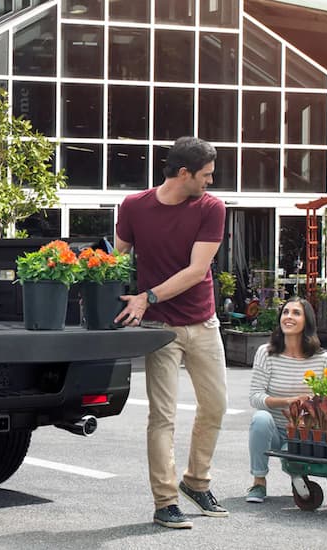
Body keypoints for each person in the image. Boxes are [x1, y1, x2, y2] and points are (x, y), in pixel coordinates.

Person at [113, 136, 227, 530]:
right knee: (162, 417)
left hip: (203, 323)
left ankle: (196, 480)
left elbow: (198, 271)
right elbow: (117, 256)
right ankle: (165, 502)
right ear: (184, 173)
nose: (210, 182)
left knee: (215, 407)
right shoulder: (133, 207)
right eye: (206, 175)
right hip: (158, 330)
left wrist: (148, 295)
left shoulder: (211, 208)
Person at [246, 297, 327, 503]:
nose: (288, 317)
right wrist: (289, 401)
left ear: (306, 321)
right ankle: (258, 482)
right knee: (261, 419)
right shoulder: (266, 353)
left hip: (301, 431)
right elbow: (255, 397)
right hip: (274, 428)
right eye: (285, 312)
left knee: (293, 458)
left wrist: (310, 412)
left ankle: (298, 476)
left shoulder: (321, 359)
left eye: (296, 313)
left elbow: (325, 400)